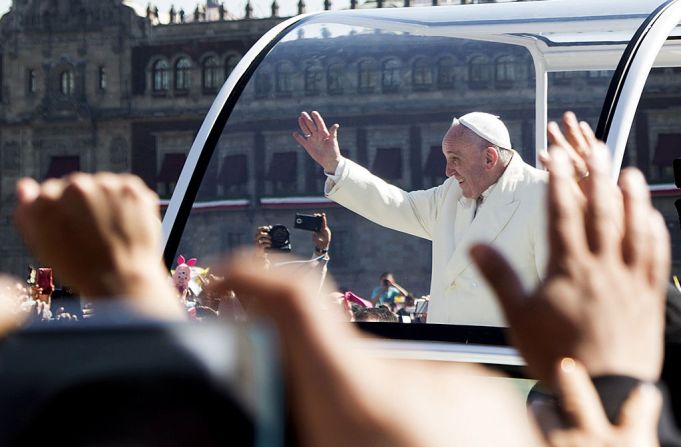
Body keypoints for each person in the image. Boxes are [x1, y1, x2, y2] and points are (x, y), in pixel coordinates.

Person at [293, 110, 551, 326]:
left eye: (455, 160)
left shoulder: (544, 195)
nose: (448, 171)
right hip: (448, 355)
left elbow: (558, 293)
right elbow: (397, 206)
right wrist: (335, 165)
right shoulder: (450, 194)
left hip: (507, 361)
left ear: (489, 158)